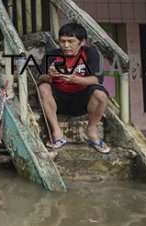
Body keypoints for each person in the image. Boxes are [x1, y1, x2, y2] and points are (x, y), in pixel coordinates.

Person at [37, 23, 110, 153]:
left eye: (71, 42)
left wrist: (74, 79)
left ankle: (91, 131)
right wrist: (49, 76)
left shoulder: (91, 53)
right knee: (43, 88)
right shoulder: (52, 54)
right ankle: (57, 133)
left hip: (82, 101)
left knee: (100, 94)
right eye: (62, 41)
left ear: (82, 42)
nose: (66, 46)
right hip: (58, 101)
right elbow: (39, 78)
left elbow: (97, 79)